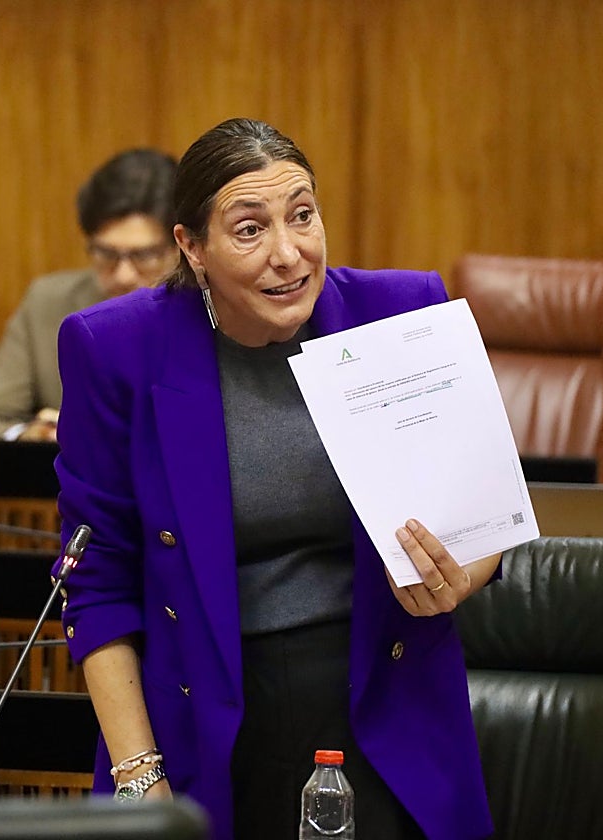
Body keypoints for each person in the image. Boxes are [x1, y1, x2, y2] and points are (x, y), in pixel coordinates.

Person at [54, 118, 501, 840]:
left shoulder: (401, 314)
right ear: (191, 248)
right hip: (200, 704)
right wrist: (141, 777)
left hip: (382, 691)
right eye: (249, 229)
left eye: (302, 215)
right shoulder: (114, 349)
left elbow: (480, 517)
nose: (289, 255)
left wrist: (464, 573)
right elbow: (98, 581)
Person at [0, 147, 179, 440]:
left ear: (182, 246)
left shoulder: (218, 310)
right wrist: (31, 435)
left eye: (144, 255)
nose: (123, 275)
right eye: (106, 253)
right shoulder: (48, 302)